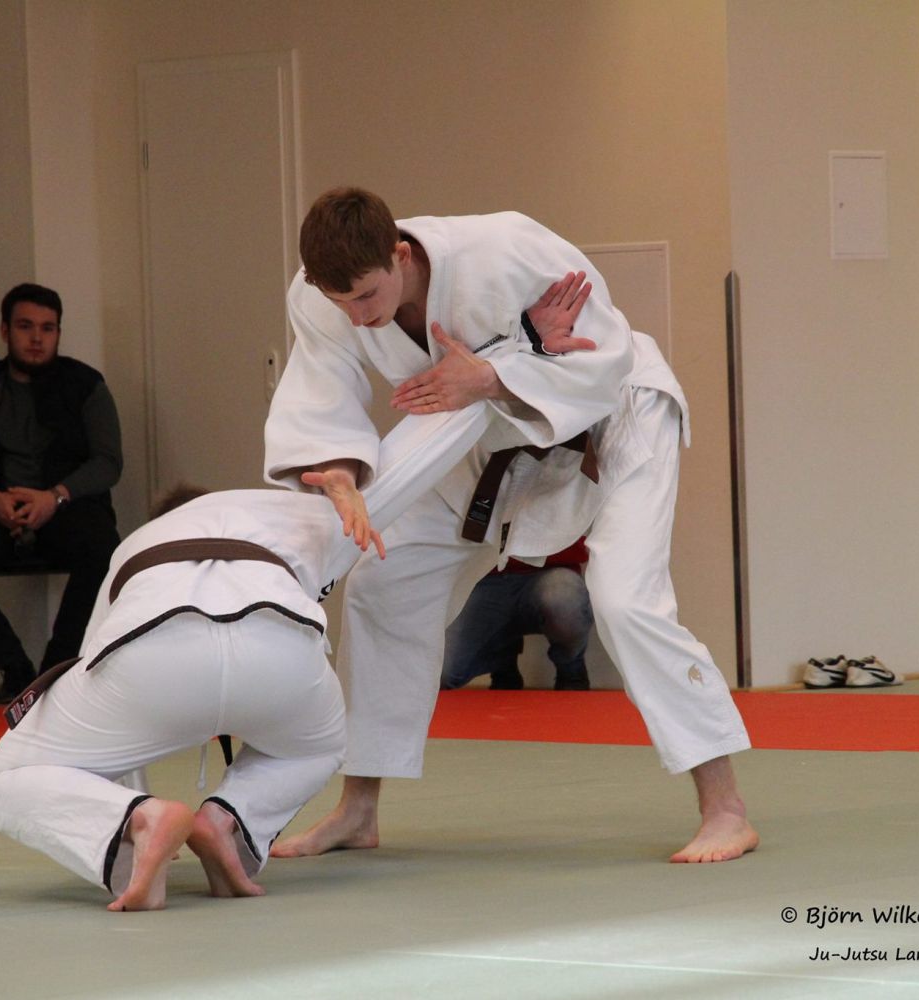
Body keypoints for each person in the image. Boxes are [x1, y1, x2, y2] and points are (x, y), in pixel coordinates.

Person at [264, 187, 757, 864]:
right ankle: (358, 810)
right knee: (383, 584)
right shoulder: (320, 297)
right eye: (340, 301)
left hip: (616, 417)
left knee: (623, 598)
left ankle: (726, 809)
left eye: (367, 296)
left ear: (399, 254)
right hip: (486, 432)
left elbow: (605, 358)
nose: (357, 315)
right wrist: (341, 473)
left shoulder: (505, 249)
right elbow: (322, 392)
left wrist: (494, 375)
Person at [0, 403, 493, 910]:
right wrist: (486, 385)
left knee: (3, 779)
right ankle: (229, 820)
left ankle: (138, 824)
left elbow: (97, 661)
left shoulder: (133, 545)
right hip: (281, 651)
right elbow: (405, 467)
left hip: (155, 652)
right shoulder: (301, 512)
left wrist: (132, 806)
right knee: (316, 748)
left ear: (165, 520)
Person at [0, 283, 123, 704]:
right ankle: (13, 666)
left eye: (47, 328)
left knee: (104, 547)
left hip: (65, 507)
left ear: (58, 333)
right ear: (5, 330)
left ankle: (56, 670)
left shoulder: (87, 387)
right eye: (26, 326)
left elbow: (108, 462)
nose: (36, 338)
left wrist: (55, 496)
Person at [441, 538, 594, 691]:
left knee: (564, 600)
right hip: (481, 577)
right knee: (440, 674)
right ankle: (502, 662)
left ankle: (572, 671)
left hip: (551, 569)